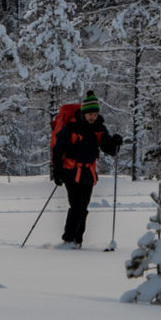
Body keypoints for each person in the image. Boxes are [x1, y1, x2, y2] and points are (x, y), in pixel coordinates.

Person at [51, 90, 122, 247]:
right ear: (83, 113)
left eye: (95, 114)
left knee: (83, 208)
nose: (92, 117)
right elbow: (58, 150)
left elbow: (109, 149)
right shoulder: (71, 128)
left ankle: (77, 241)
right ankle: (69, 239)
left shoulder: (99, 129)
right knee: (76, 207)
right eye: (90, 114)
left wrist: (115, 143)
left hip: (88, 175)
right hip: (71, 172)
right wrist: (56, 172)